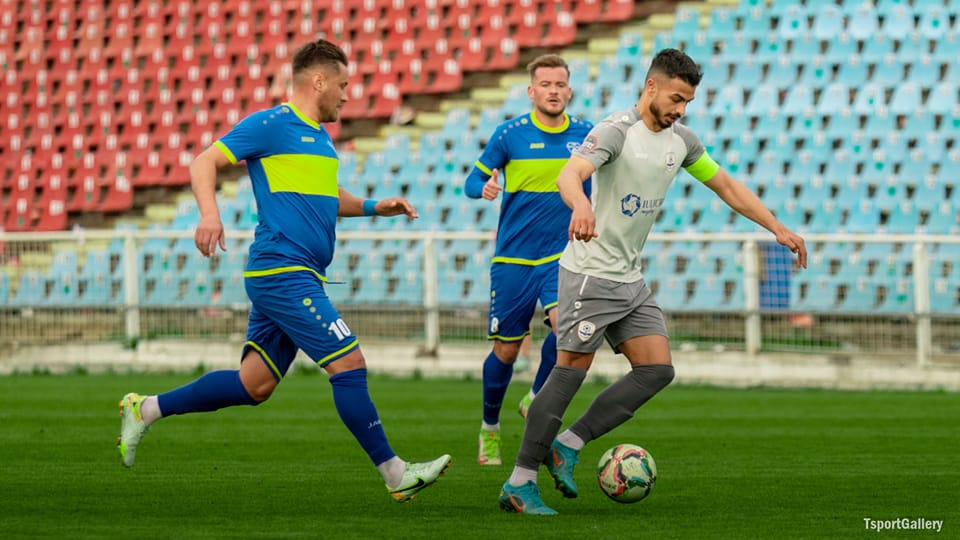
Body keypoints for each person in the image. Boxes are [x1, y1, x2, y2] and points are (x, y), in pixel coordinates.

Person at [116, 39, 451, 503]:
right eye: (343, 85)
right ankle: (395, 474)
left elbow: (325, 197)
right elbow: (203, 161)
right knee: (349, 363)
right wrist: (209, 214)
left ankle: (146, 409)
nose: (347, 95)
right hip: (281, 271)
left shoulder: (320, 137)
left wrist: (374, 206)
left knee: (254, 384)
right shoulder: (272, 124)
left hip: (298, 273)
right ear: (319, 81)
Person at [498, 48, 808, 514]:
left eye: (687, 102)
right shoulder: (616, 131)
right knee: (568, 374)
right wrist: (580, 205)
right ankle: (519, 482)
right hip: (590, 274)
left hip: (628, 278)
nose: (681, 109)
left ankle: (568, 444)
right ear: (651, 87)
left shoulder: (681, 141)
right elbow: (570, 174)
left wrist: (776, 227)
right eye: (676, 99)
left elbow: (726, 186)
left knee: (657, 369)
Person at [464, 54, 593, 466]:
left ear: (569, 90)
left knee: (566, 327)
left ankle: (535, 396)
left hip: (563, 255)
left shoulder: (587, 135)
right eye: (546, 84)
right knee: (506, 351)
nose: (553, 91)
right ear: (531, 91)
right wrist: (483, 187)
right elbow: (471, 180)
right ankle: (489, 428)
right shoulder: (509, 134)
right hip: (514, 260)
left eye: (560, 84)